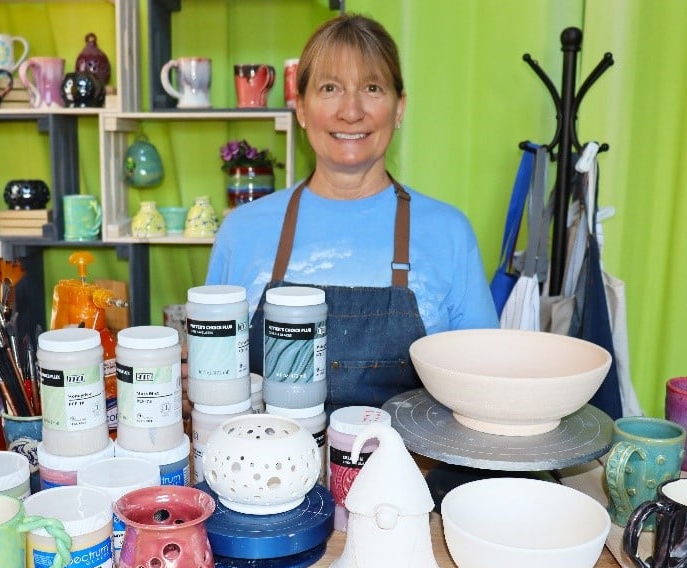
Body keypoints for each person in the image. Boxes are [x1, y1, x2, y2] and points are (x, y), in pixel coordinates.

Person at [205, 13, 498, 413]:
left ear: (399, 108)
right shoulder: (241, 234)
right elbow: (211, 387)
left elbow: (485, 388)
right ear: (301, 108)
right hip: (264, 472)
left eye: (372, 88)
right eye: (330, 88)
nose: (351, 110)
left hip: (414, 472)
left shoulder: (449, 233)